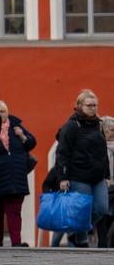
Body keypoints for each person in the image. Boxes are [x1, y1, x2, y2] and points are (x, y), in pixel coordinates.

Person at [54, 90, 110, 248]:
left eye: (95, 105)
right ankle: (81, 239)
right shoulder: (71, 126)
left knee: (101, 208)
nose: (93, 108)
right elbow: (62, 153)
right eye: (89, 105)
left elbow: (103, 151)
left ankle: (76, 230)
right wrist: (63, 177)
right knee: (83, 210)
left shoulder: (99, 124)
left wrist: (107, 174)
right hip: (78, 176)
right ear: (79, 106)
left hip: (98, 176)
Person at [0, 100, 36, 247]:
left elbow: (32, 142)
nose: (0, 114)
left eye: (3, 111)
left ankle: (16, 242)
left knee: (14, 212)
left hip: (16, 177)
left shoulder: (16, 125)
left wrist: (22, 136)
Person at [100, 116, 114, 248]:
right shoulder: (99, 146)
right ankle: (104, 245)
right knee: (105, 216)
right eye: (111, 130)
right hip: (106, 185)